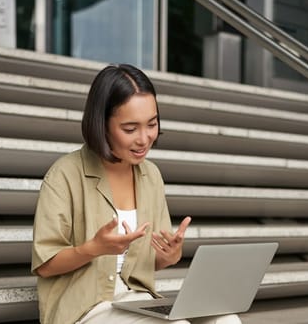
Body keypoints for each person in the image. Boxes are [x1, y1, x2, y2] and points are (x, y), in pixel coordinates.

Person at [31, 64, 241, 324]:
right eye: (130, 129)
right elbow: (45, 264)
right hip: (85, 308)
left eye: (151, 124)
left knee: (226, 319)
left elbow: (147, 261)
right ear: (102, 125)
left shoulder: (150, 175)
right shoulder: (65, 175)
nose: (144, 139)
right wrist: (93, 248)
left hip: (138, 300)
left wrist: (168, 256)